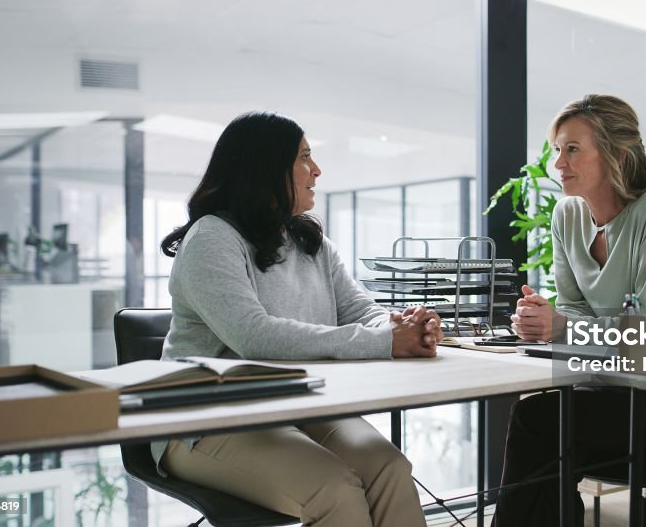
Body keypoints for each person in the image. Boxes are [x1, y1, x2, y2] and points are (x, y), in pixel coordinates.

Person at [154, 111, 442, 527]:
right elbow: (254, 335)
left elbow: (363, 312)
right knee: (334, 489)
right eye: (305, 157)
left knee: (389, 469)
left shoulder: (310, 242)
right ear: (266, 167)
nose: (317, 170)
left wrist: (406, 329)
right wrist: (385, 340)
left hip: (297, 406)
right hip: (205, 419)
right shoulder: (211, 239)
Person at [492, 94, 646, 526]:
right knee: (542, 422)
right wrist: (545, 324)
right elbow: (571, 309)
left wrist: (565, 326)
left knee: (538, 421)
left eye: (572, 149)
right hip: (600, 390)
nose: (558, 163)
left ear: (615, 154)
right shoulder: (567, 215)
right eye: (556, 150)